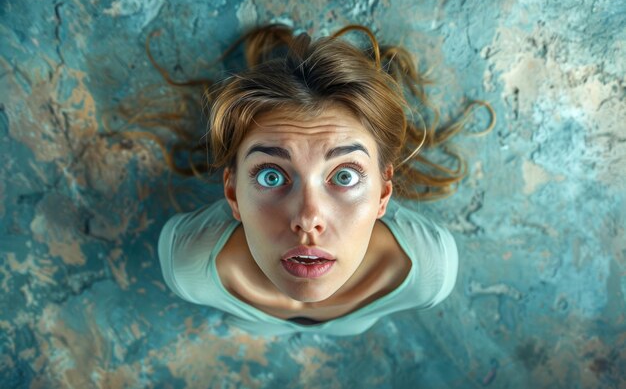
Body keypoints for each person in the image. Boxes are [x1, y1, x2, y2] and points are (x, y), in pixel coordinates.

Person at [127, 23, 495, 336]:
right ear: (232, 193)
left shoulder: (429, 273)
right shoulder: (188, 265)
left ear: (384, 192)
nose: (308, 218)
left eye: (345, 176)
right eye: (271, 176)